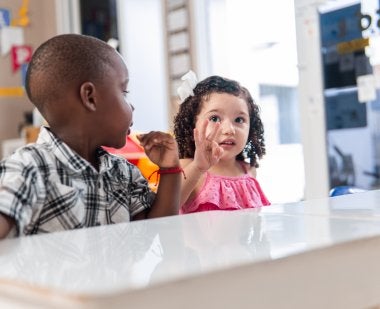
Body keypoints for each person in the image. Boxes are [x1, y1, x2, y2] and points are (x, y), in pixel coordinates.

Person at [0, 34, 182, 238]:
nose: (132, 106)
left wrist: (170, 170)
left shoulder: (124, 173)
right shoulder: (29, 168)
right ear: (90, 97)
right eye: (124, 92)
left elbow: (156, 232)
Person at [173, 73, 270, 214]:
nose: (229, 130)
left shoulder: (248, 171)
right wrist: (197, 168)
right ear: (192, 124)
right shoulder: (187, 168)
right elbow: (167, 208)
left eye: (239, 120)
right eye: (214, 118)